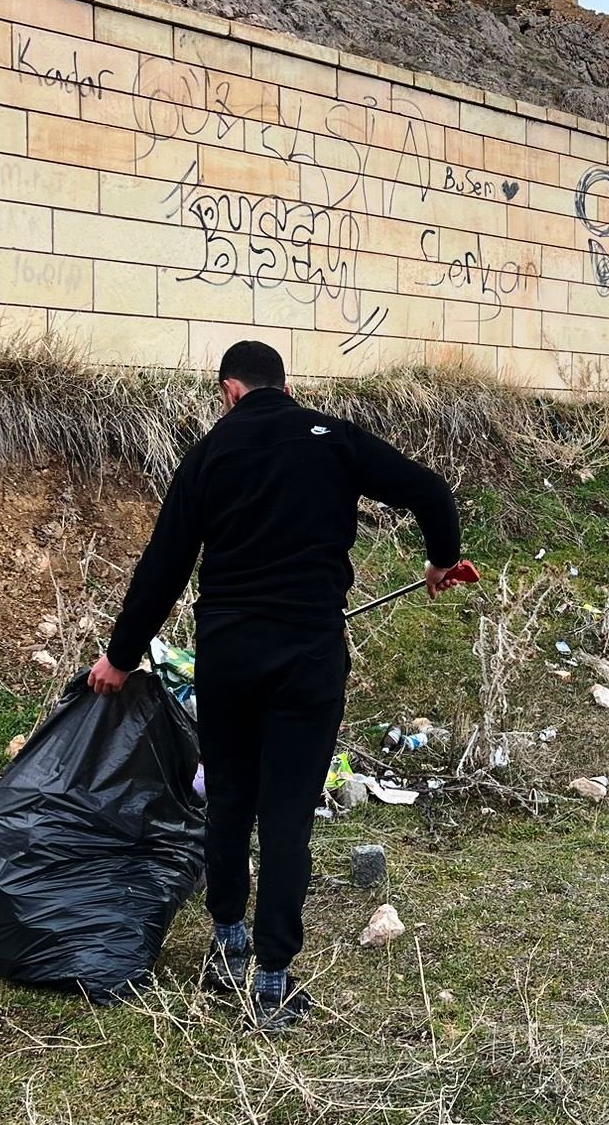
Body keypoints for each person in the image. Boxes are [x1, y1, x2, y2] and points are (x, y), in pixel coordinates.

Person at [87, 340, 463, 1030]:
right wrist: (442, 559)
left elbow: (164, 565)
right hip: (308, 656)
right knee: (287, 816)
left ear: (231, 391)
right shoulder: (334, 438)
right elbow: (429, 491)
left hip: (229, 654)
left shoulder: (211, 454)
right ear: (282, 387)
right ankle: (272, 983)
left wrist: (121, 655)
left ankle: (226, 944)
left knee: (229, 799)